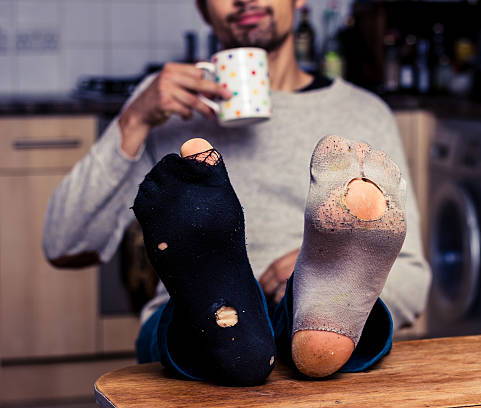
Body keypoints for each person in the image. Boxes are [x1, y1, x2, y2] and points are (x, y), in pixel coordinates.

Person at [43, 0, 430, 384]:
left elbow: (414, 279)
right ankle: (227, 310)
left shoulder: (364, 111)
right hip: (185, 313)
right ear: (202, 8)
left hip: (309, 308)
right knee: (188, 320)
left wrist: (319, 264)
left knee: (323, 307)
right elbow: (64, 243)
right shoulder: (165, 106)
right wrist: (134, 119)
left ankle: (315, 303)